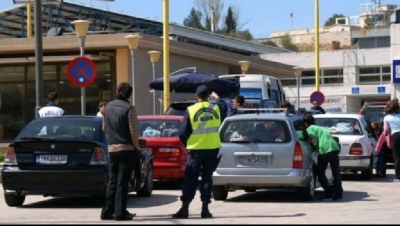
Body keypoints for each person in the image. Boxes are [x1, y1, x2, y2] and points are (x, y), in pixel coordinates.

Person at [172, 85, 227, 219]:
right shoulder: (216, 108)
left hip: (195, 150)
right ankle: (205, 209)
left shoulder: (191, 110)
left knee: (190, 179)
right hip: (212, 150)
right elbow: (225, 106)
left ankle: (185, 209)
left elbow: (182, 133)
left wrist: (187, 145)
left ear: (196, 96)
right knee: (207, 179)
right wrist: (217, 98)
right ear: (208, 96)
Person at [100, 82, 139, 221]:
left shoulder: (108, 107)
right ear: (129, 94)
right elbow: (134, 131)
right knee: (123, 181)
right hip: (126, 149)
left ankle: (106, 211)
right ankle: (120, 213)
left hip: (112, 149)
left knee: (113, 180)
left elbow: (104, 128)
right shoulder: (129, 108)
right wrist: (136, 146)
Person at [302, 113, 343, 201]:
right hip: (334, 147)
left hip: (325, 149)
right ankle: (338, 193)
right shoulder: (320, 127)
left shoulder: (309, 129)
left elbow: (314, 141)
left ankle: (328, 193)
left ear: (305, 123)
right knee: (336, 172)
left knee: (320, 172)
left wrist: (312, 146)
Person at [379, 99, 400, 180]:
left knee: (397, 156)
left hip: (396, 136)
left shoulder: (387, 118)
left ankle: (398, 174)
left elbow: (386, 130)